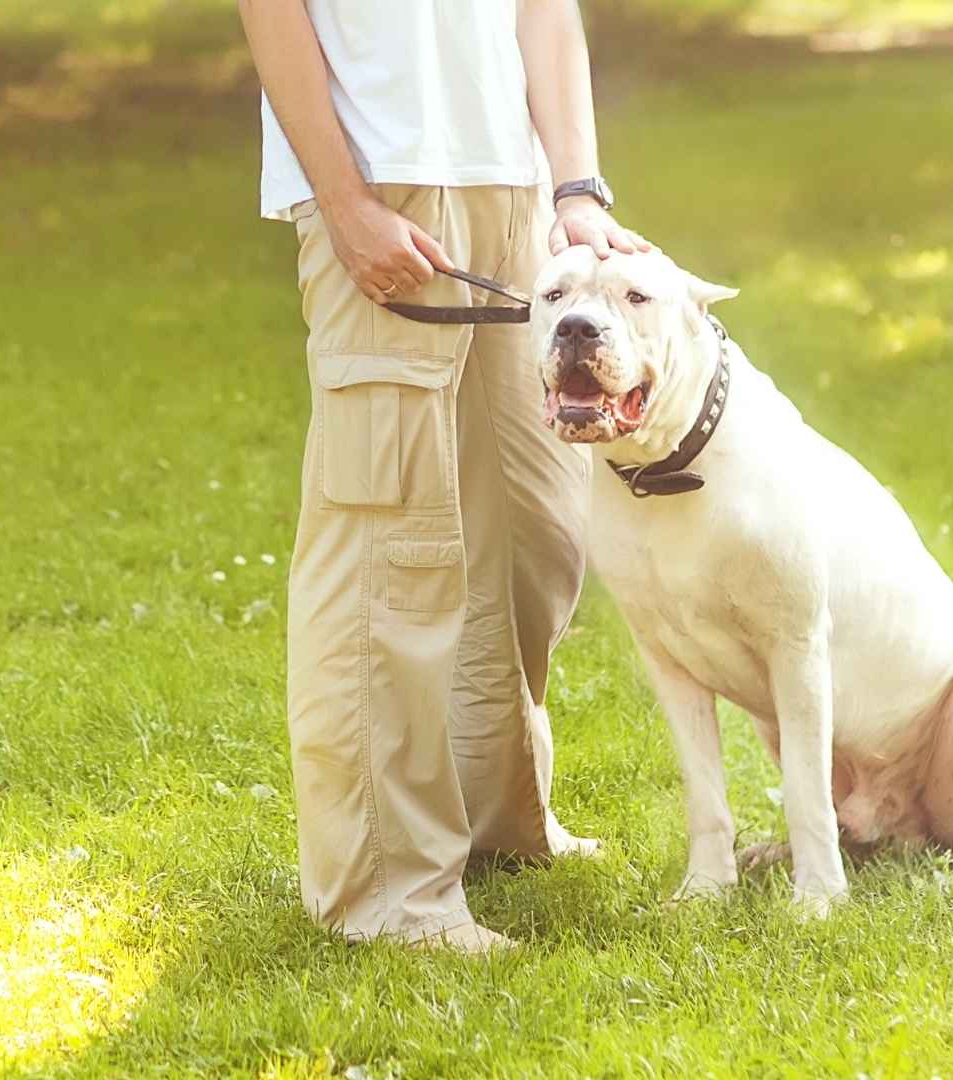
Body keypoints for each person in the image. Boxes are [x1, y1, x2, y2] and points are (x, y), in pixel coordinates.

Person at [238, 0, 649, 952]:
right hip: (385, 184)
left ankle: (495, 816)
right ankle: (392, 894)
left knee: (535, 529)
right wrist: (343, 203)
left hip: (516, 189)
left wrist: (575, 185)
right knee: (393, 548)